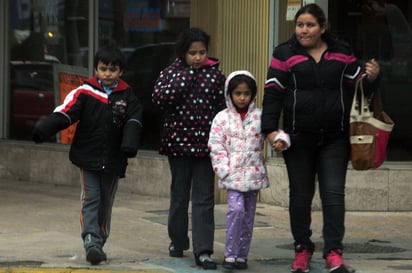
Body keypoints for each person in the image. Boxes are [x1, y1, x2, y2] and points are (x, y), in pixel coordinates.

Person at [261, 3, 381, 273]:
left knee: (334, 195)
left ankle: (334, 253)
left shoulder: (342, 52)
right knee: (300, 197)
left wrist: (372, 78)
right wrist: (270, 130)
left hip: (335, 139)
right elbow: (273, 94)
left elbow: (359, 85)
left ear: (323, 28)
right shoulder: (284, 53)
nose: (304, 30)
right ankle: (302, 249)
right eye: (300, 25)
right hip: (297, 139)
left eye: (310, 25)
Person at [32, 46, 143, 265]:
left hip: (114, 159)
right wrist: (44, 128)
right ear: (96, 69)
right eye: (103, 69)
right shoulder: (85, 91)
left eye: (113, 69)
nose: (108, 73)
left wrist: (129, 143)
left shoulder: (128, 95)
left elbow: (134, 120)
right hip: (88, 156)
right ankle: (90, 240)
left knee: (105, 202)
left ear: (120, 71)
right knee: (91, 198)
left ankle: (99, 242)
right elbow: (65, 112)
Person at [152, 27, 226, 270]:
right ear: (183, 53)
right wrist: (185, 77)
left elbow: (223, 109)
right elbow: (159, 99)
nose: (197, 57)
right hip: (178, 146)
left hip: (206, 148)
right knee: (180, 195)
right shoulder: (170, 73)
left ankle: (203, 250)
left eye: (202, 52)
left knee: (204, 199)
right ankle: (177, 240)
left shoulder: (216, 77)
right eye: (192, 53)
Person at [208, 70, 270, 270]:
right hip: (233, 176)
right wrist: (224, 170)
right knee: (236, 211)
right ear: (229, 94)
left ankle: (242, 255)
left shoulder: (260, 116)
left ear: (253, 94)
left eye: (246, 93)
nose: (242, 98)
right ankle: (230, 255)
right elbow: (216, 146)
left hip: (252, 176)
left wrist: (280, 140)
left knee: (248, 216)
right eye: (237, 93)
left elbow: (270, 135)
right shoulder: (221, 118)